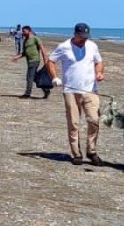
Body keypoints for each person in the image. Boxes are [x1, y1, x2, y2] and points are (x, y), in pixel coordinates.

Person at [51, 23, 105, 165]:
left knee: (94, 120)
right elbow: (51, 61)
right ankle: (76, 153)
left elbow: (99, 62)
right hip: (70, 91)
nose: (84, 39)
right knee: (74, 123)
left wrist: (99, 72)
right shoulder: (63, 47)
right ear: (75, 34)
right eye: (81, 37)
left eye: (86, 37)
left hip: (90, 90)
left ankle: (91, 150)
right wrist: (55, 77)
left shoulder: (92, 46)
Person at [10, 25, 48, 99]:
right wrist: (16, 57)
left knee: (29, 77)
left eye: (24, 31)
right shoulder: (25, 41)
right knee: (35, 78)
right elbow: (24, 53)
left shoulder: (35, 39)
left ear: (29, 31)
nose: (23, 33)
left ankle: (27, 94)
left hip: (35, 60)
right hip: (29, 61)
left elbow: (42, 49)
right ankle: (46, 89)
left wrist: (45, 60)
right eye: (22, 31)